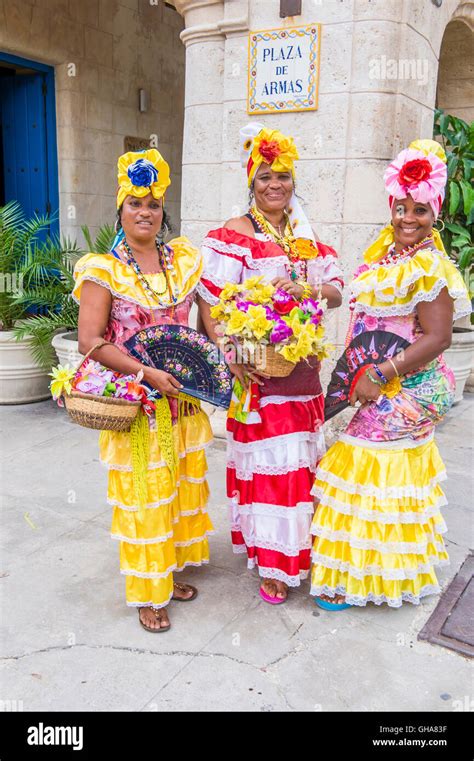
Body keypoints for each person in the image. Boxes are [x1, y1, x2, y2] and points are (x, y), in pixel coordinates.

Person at [310, 139, 471, 610]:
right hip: (386, 379)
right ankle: (375, 572)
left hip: (413, 386)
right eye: (401, 207)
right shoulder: (388, 258)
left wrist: (377, 373)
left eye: (420, 210)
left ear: (434, 213)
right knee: (372, 467)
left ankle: (362, 577)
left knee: (360, 460)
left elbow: (438, 338)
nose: (407, 218)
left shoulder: (428, 264)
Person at [198, 124, 344, 603]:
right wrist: (234, 357)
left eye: (282, 175)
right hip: (258, 374)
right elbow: (211, 304)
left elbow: (337, 292)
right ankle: (274, 564)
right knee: (269, 471)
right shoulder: (233, 236)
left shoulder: (305, 235)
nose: (274, 184)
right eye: (264, 177)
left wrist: (309, 290)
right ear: (251, 182)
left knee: (301, 467)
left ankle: (296, 549)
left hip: (302, 373)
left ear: (294, 182)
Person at [73, 149, 214, 632]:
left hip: (185, 403)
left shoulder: (185, 261)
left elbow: (210, 326)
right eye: (135, 203)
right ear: (121, 210)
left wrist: (228, 362)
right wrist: (145, 372)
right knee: (144, 497)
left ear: (163, 211)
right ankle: (147, 593)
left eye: (153, 204)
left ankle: (167, 573)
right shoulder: (103, 269)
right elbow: (90, 341)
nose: (145, 212)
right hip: (138, 405)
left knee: (174, 493)